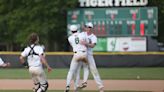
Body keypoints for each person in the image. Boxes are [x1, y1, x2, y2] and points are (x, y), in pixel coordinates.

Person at [77, 22, 104, 92]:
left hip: (89, 55)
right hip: (81, 54)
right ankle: (83, 83)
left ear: (91, 28)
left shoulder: (93, 37)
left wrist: (86, 43)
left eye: (89, 27)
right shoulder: (82, 34)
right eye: (86, 27)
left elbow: (92, 45)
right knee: (80, 68)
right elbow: (77, 40)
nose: (87, 28)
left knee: (94, 70)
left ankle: (100, 87)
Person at [65, 24, 88, 92]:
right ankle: (83, 82)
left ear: (71, 31)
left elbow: (74, 44)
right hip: (84, 53)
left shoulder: (70, 38)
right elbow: (85, 41)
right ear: (77, 29)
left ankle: (67, 86)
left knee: (71, 71)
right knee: (85, 69)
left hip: (76, 54)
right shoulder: (82, 35)